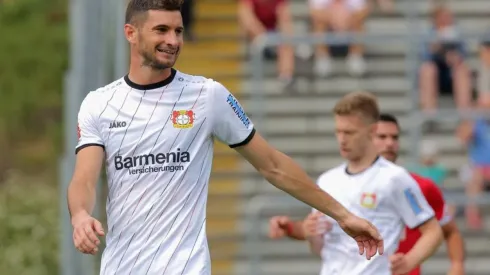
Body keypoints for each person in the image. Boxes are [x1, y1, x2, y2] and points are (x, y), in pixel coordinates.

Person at [66, 1, 384, 274]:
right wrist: (80, 215)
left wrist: (342, 215)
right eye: (161, 30)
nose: (173, 40)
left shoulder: (208, 96)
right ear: (130, 33)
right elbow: (84, 179)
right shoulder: (99, 104)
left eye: (177, 31)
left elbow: (272, 164)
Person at [270, 113, 465, 275]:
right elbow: (322, 230)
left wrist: (456, 265)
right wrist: (291, 228)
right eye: (382, 137)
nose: (389, 143)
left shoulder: (419, 186)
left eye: (394, 137)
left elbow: (447, 230)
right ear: (368, 137)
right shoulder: (338, 183)